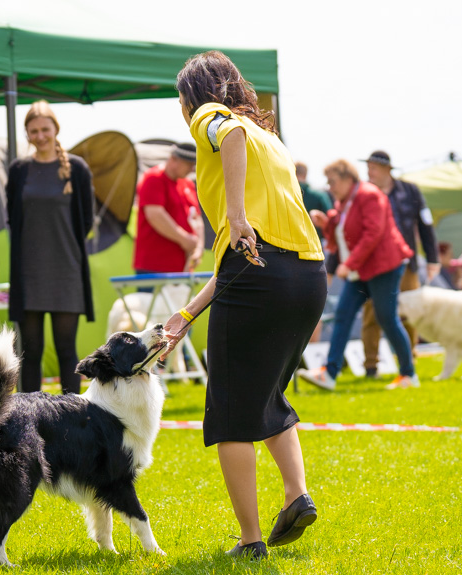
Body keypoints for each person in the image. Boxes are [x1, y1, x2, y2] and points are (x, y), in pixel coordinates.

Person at [166, 51, 327, 560]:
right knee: (266, 394)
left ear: (194, 93)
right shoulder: (271, 141)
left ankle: (250, 541)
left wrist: (234, 215)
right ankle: (295, 495)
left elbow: (244, 244)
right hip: (307, 274)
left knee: (232, 413)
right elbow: (240, 261)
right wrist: (187, 315)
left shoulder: (211, 118)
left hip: (261, 276)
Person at [296, 159, 418, 391]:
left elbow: (373, 233)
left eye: (333, 182)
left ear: (347, 178)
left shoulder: (369, 195)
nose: (330, 187)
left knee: (387, 318)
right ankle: (329, 374)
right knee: (343, 314)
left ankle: (408, 374)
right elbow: (344, 228)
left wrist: (348, 264)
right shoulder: (346, 200)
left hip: (385, 266)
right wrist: (327, 222)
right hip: (362, 269)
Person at [7, 100, 95, 395]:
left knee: (66, 351)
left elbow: (86, 221)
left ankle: (72, 419)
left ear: (56, 129)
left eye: (45, 129)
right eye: (34, 131)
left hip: (66, 272)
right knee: (29, 353)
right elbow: (13, 218)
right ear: (27, 134)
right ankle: (27, 420)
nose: (41, 135)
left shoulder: (77, 169)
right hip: (29, 274)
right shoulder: (19, 170)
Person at [361, 150, 439, 378]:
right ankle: (370, 365)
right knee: (372, 314)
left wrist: (433, 258)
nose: (369, 172)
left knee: (409, 312)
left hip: (405, 264)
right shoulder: (365, 192)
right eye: (368, 168)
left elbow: (426, 226)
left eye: (373, 168)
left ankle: (409, 359)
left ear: (387, 169)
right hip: (372, 265)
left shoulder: (410, 191)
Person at [133, 143, 204, 280]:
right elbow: (155, 215)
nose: (192, 168)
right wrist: (184, 239)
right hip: (155, 266)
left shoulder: (187, 184)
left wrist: (199, 247)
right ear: (173, 159)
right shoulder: (153, 178)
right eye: (188, 163)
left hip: (182, 267)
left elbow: (196, 218)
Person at [295, 162, 333, 247]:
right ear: (305, 174)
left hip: (291, 247)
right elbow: (331, 219)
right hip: (316, 245)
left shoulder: (286, 195)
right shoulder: (320, 195)